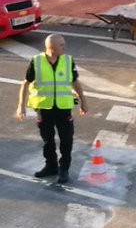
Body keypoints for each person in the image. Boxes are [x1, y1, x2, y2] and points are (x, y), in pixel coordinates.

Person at [15, 34, 88, 184]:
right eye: (61, 45)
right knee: (48, 141)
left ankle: (64, 169)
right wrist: (20, 106)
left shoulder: (67, 60)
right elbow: (25, 83)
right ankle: (51, 166)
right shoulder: (36, 62)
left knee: (66, 140)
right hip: (44, 108)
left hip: (63, 108)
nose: (64, 47)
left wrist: (83, 101)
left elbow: (75, 82)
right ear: (51, 48)